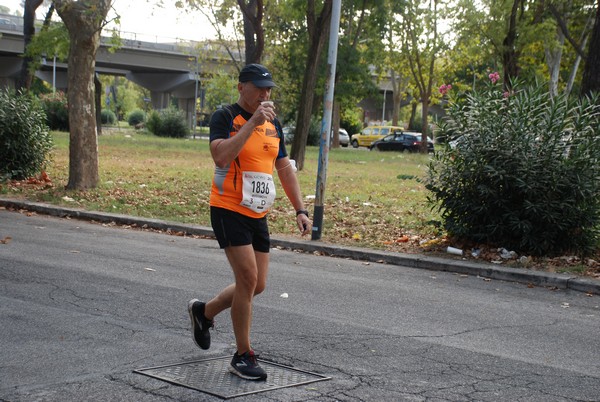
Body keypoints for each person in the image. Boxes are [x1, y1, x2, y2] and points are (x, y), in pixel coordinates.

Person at [188, 63, 312, 381]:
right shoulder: (225, 117)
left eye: (268, 89)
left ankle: (205, 312)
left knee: (258, 285)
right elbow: (221, 156)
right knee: (247, 278)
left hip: (258, 212)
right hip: (228, 209)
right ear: (241, 87)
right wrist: (253, 122)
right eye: (258, 87)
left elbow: (284, 168)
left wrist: (300, 209)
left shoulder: (275, 126)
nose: (264, 94)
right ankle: (242, 355)